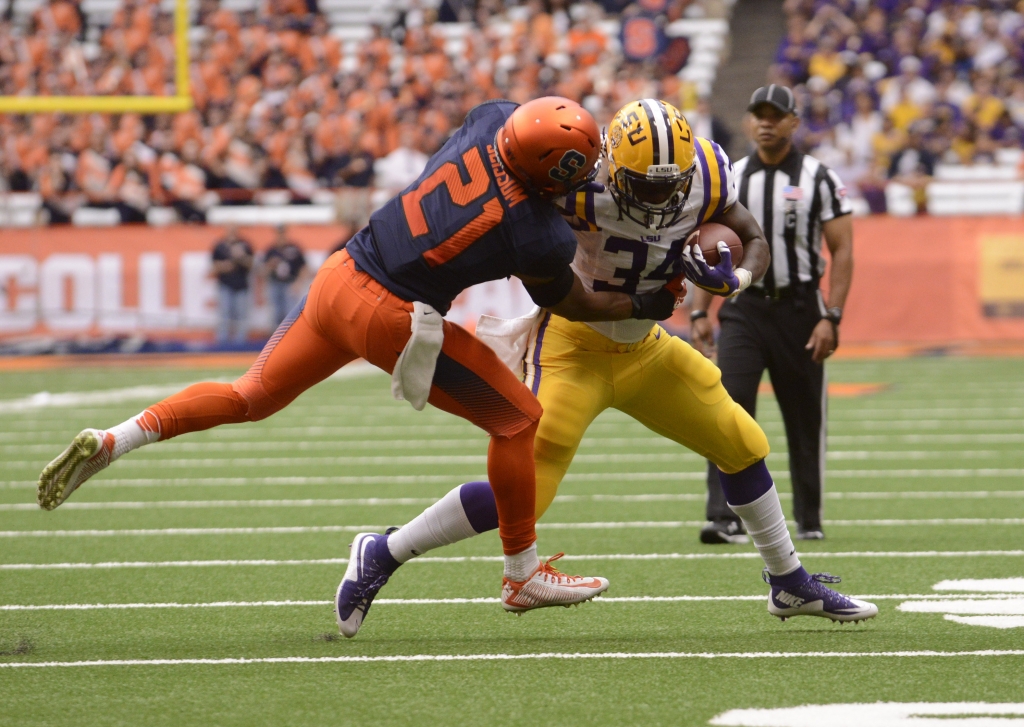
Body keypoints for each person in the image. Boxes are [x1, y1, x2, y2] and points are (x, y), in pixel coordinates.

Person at [37, 96, 687, 632]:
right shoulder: (535, 233)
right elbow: (571, 299)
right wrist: (645, 298)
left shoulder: (494, 121)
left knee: (250, 394)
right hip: (389, 316)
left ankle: (119, 437)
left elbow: (509, 149)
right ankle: (521, 575)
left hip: (341, 272)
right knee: (519, 420)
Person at [333, 98, 878, 638]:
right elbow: (530, 253)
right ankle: (384, 551)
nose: (663, 198)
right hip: (573, 346)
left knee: (742, 442)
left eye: (672, 184)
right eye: (647, 185)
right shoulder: (574, 186)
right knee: (524, 491)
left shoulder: (707, 172)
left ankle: (788, 582)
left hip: (646, 348)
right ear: (611, 168)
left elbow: (753, 237)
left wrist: (734, 280)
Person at [691, 85, 854, 544]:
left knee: (803, 416)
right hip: (744, 307)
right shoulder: (733, 177)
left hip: (802, 308)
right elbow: (710, 241)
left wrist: (832, 315)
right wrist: (701, 310)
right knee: (726, 409)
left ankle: (809, 516)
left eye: (775, 115)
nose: (766, 122)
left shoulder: (820, 177)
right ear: (748, 122)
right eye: (758, 114)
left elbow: (842, 251)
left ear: (793, 122)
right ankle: (722, 516)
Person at [211, 225, 254, 345]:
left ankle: (241, 343)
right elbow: (214, 267)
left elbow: (251, 265)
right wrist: (225, 266)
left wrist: (241, 257)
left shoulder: (245, 245)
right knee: (224, 314)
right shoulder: (220, 246)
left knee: (241, 315)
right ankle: (222, 343)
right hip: (225, 284)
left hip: (241, 285)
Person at [262, 225, 308, 329]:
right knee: (275, 314)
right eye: (279, 234)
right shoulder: (271, 250)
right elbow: (263, 271)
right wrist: (270, 265)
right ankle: (275, 340)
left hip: (289, 283)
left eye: (282, 234)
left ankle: (289, 339)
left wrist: (298, 283)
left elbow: (303, 267)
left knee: (290, 314)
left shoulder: (294, 249)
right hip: (274, 284)